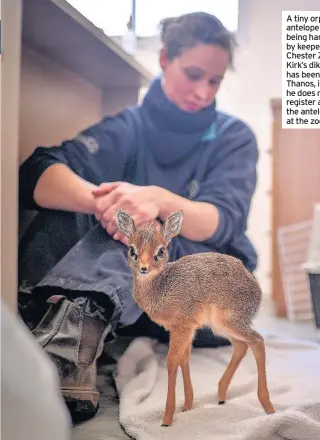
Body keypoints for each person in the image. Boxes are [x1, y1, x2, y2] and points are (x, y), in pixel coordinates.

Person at [17, 12, 259, 423]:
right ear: (165, 58)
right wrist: (106, 205)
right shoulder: (128, 127)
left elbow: (224, 220)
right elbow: (37, 173)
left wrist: (157, 199)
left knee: (152, 236)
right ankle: (70, 320)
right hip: (132, 294)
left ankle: (75, 326)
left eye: (214, 81)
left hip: (200, 297)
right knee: (86, 206)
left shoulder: (234, 137)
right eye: (194, 74)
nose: (203, 91)